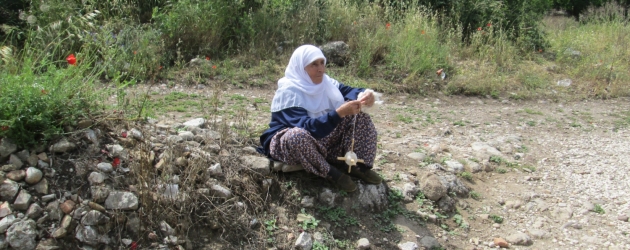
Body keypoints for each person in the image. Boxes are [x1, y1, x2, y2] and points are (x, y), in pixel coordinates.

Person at [257, 44, 381, 192]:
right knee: (297, 136)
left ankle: (357, 165)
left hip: (321, 139)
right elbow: (307, 128)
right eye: (314, 64)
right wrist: (338, 114)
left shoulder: (326, 83)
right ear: (301, 67)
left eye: (322, 63)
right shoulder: (288, 91)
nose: (320, 69)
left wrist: (365, 96)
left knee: (359, 115)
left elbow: (348, 91)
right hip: (293, 144)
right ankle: (331, 173)